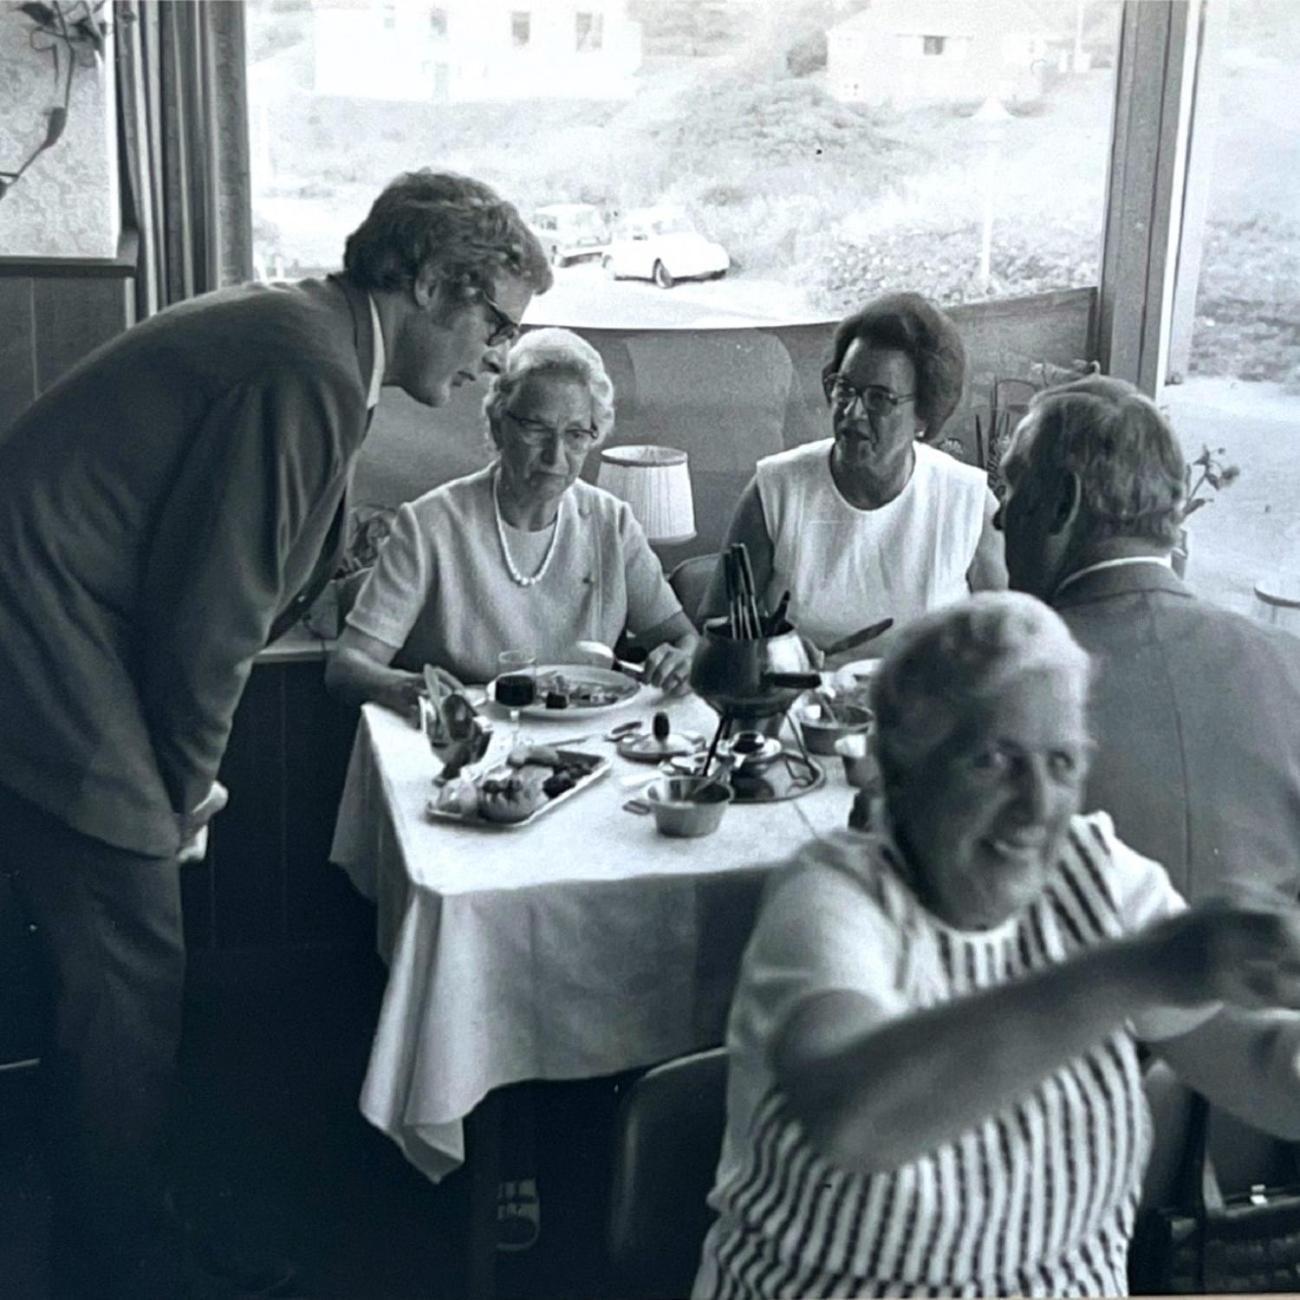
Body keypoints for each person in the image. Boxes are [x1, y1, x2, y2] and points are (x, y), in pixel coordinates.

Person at [0, 169, 550, 1298]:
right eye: (495, 323)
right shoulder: (307, 366)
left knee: (121, 967)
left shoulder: (315, 342)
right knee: (131, 964)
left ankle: (110, 1210)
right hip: (40, 631)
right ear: (432, 283)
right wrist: (183, 793)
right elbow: (211, 615)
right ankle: (117, 1261)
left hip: (59, 626)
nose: (498, 356)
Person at [694, 592, 1300, 1299]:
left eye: (1063, 763)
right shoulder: (834, 898)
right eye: (994, 760)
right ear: (903, 771)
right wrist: (1140, 971)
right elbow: (858, 1119)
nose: (1040, 803)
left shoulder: (1098, 876)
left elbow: (1258, 1065)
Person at [997, 375, 1300, 904]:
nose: (1001, 517)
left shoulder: (998, 688)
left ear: (1061, 504)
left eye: (1012, 488)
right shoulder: (1289, 662)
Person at [327, 327, 697, 705]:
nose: (556, 457)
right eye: (537, 429)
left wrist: (681, 659)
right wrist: (411, 689)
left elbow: (683, 638)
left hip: (590, 741)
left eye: (575, 435)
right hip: (469, 740)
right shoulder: (430, 525)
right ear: (498, 426)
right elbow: (348, 666)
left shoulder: (611, 523)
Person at [701, 292, 1005, 658]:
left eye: (879, 399)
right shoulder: (777, 490)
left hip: (925, 710)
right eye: (844, 389)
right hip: (801, 707)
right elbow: (716, 628)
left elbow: (1003, 648)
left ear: (924, 414)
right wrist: (775, 655)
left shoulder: (967, 502)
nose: (852, 412)